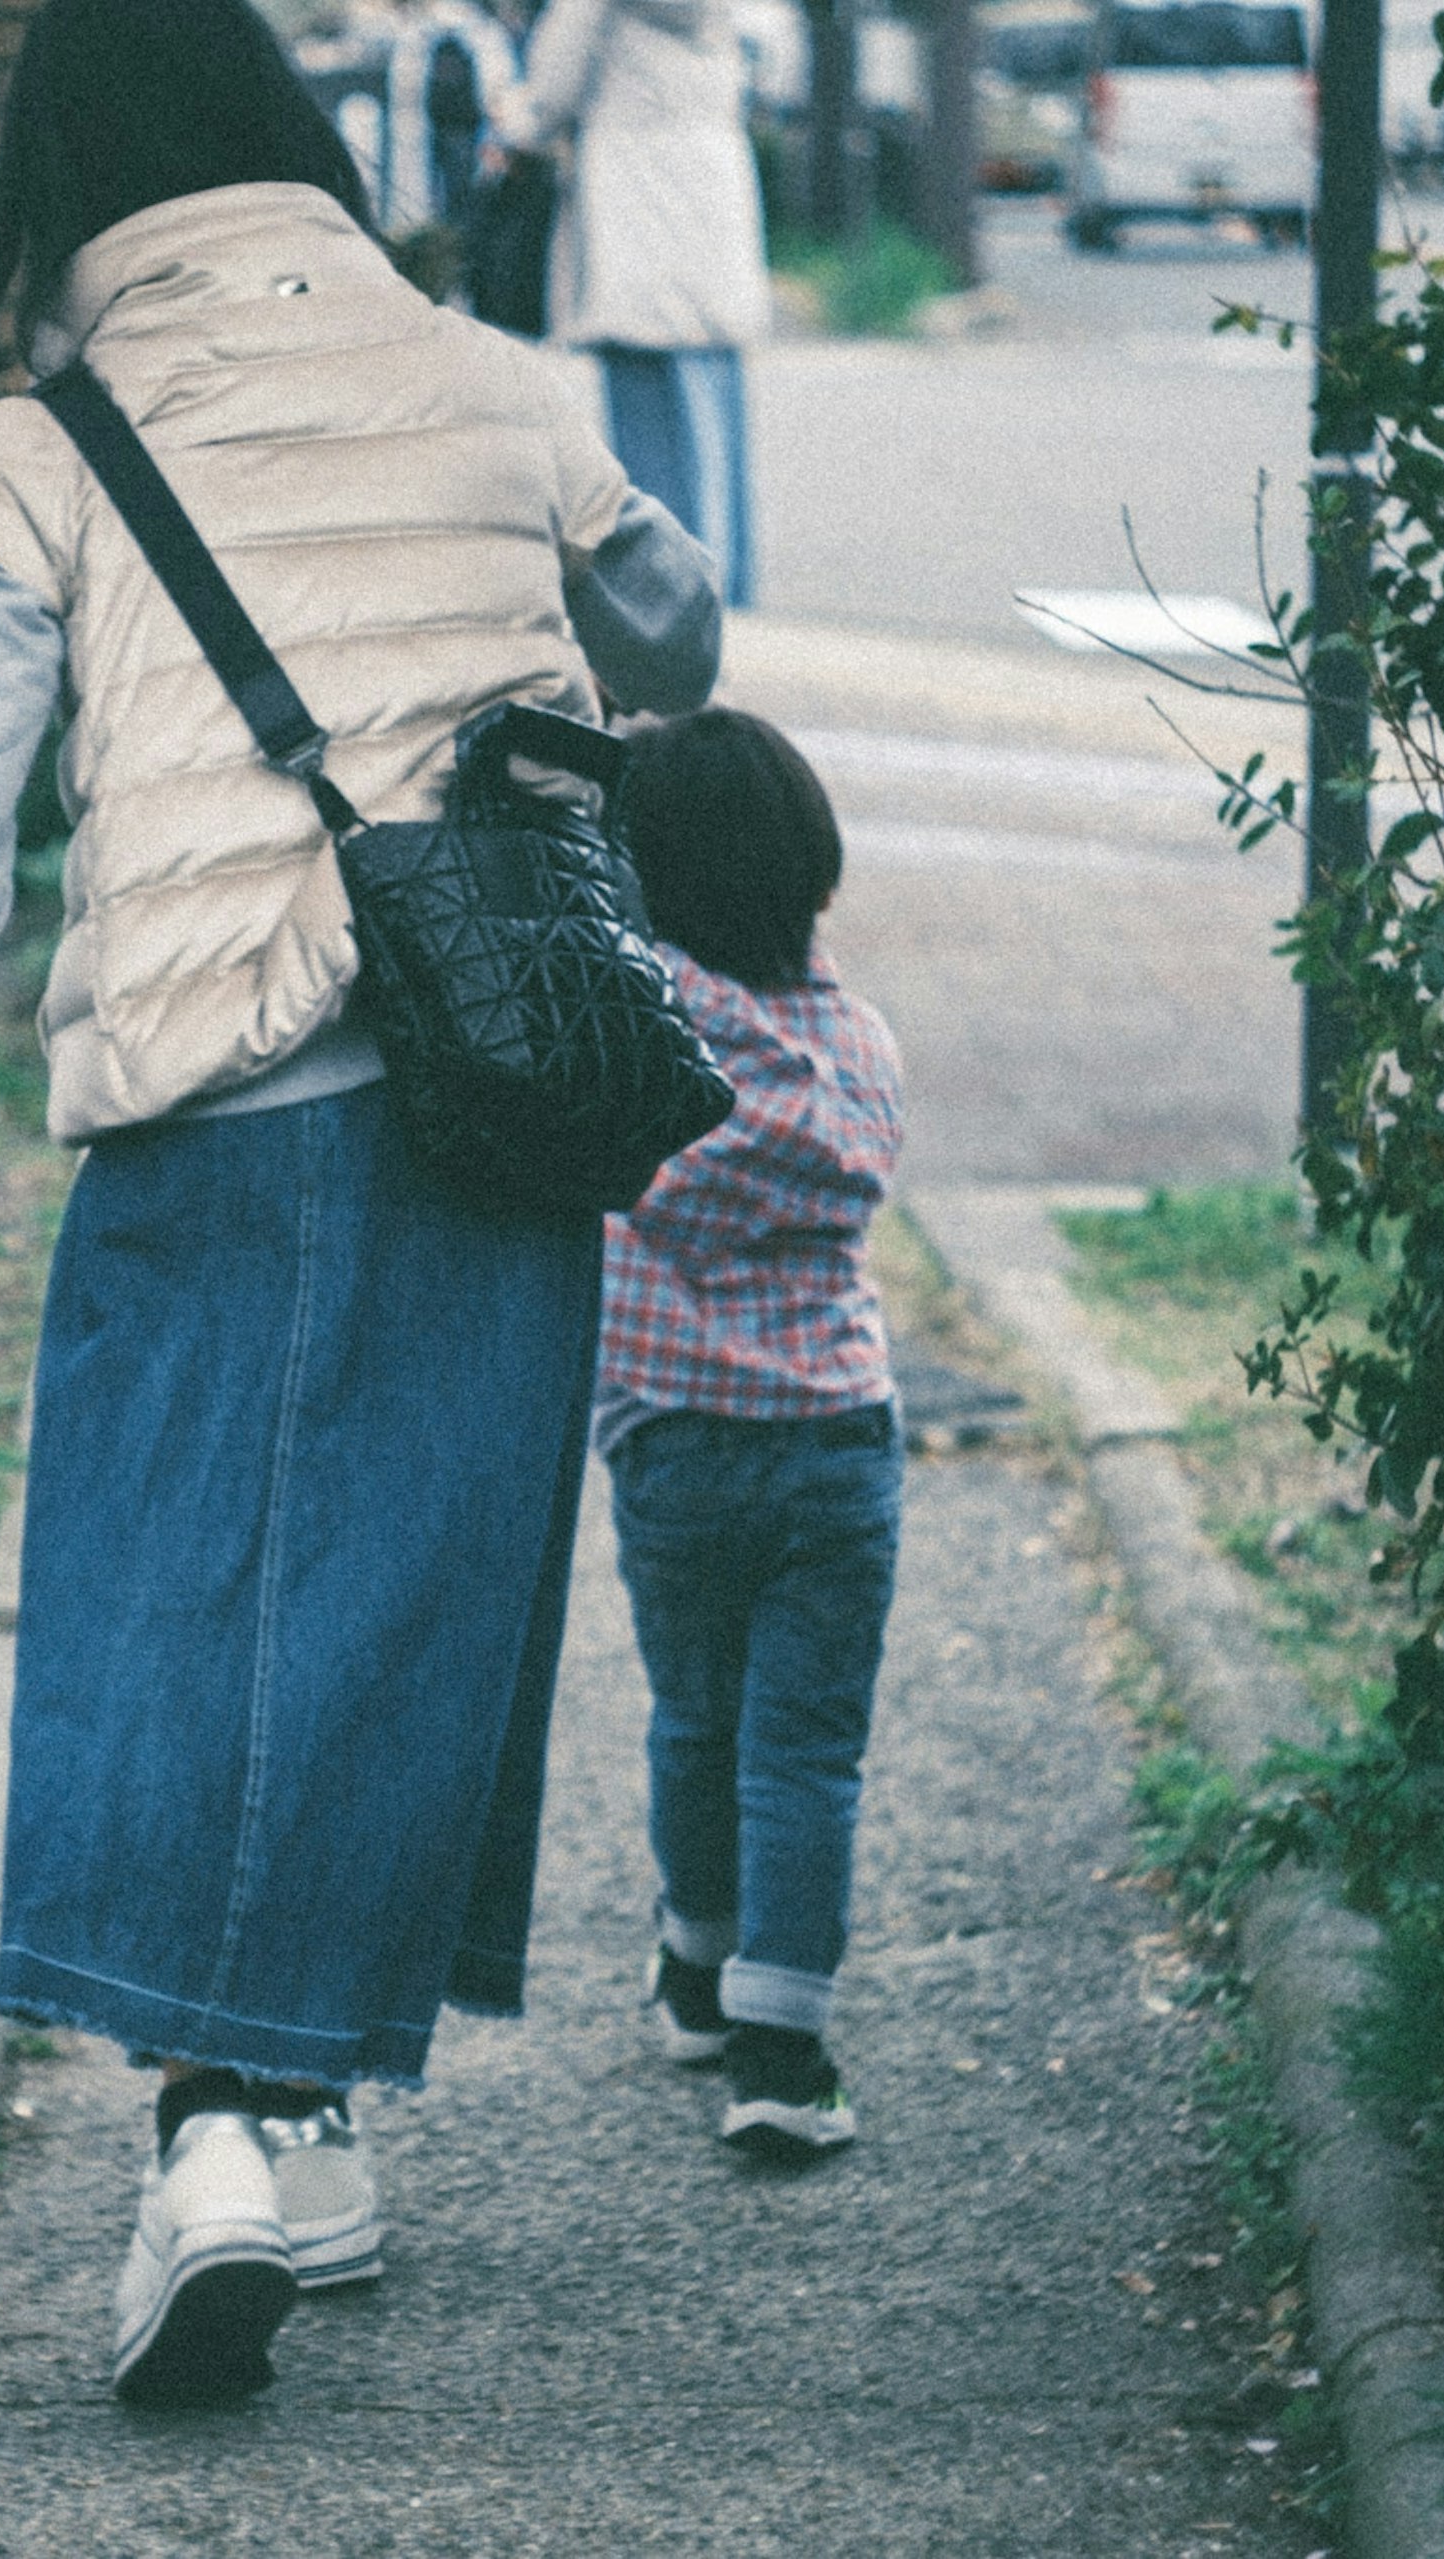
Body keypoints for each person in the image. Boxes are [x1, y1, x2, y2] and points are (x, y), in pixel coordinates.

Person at [0, 0, 721, 2408]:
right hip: (511, 1086)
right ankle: (297, 2118)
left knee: (178, 1596)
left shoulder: (39, 452)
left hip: (224, 1095)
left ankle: (216, 2134)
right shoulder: (491, 372)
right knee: (399, 1604)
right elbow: (681, 632)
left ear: (60, 185)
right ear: (285, 142)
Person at [594, 709, 904, 2159]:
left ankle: (694, 1961)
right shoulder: (854, 1042)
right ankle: (784, 2046)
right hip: (838, 1440)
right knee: (807, 1750)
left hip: (674, 1443)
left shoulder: (639, 1024)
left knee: (696, 1715)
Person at [496, 0, 771, 605]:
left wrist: (509, 123)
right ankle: (733, 579)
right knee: (716, 402)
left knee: (645, 404)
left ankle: (673, 591)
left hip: (633, 201)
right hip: (714, 191)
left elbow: (549, 97)